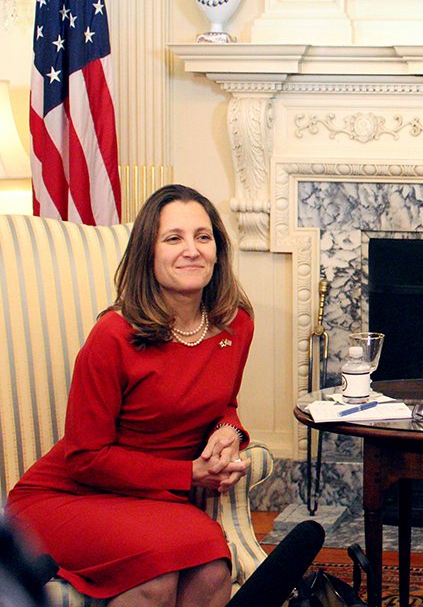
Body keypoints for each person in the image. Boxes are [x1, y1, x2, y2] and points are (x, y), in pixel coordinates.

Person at [5, 185, 255, 606]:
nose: (192, 250)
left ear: (218, 250)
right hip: (70, 495)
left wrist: (231, 431)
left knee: (213, 571)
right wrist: (189, 474)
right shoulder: (113, 335)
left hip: (153, 499)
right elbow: (84, 457)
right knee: (159, 577)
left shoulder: (237, 324)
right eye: (173, 238)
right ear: (148, 254)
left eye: (203, 236)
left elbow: (223, 401)